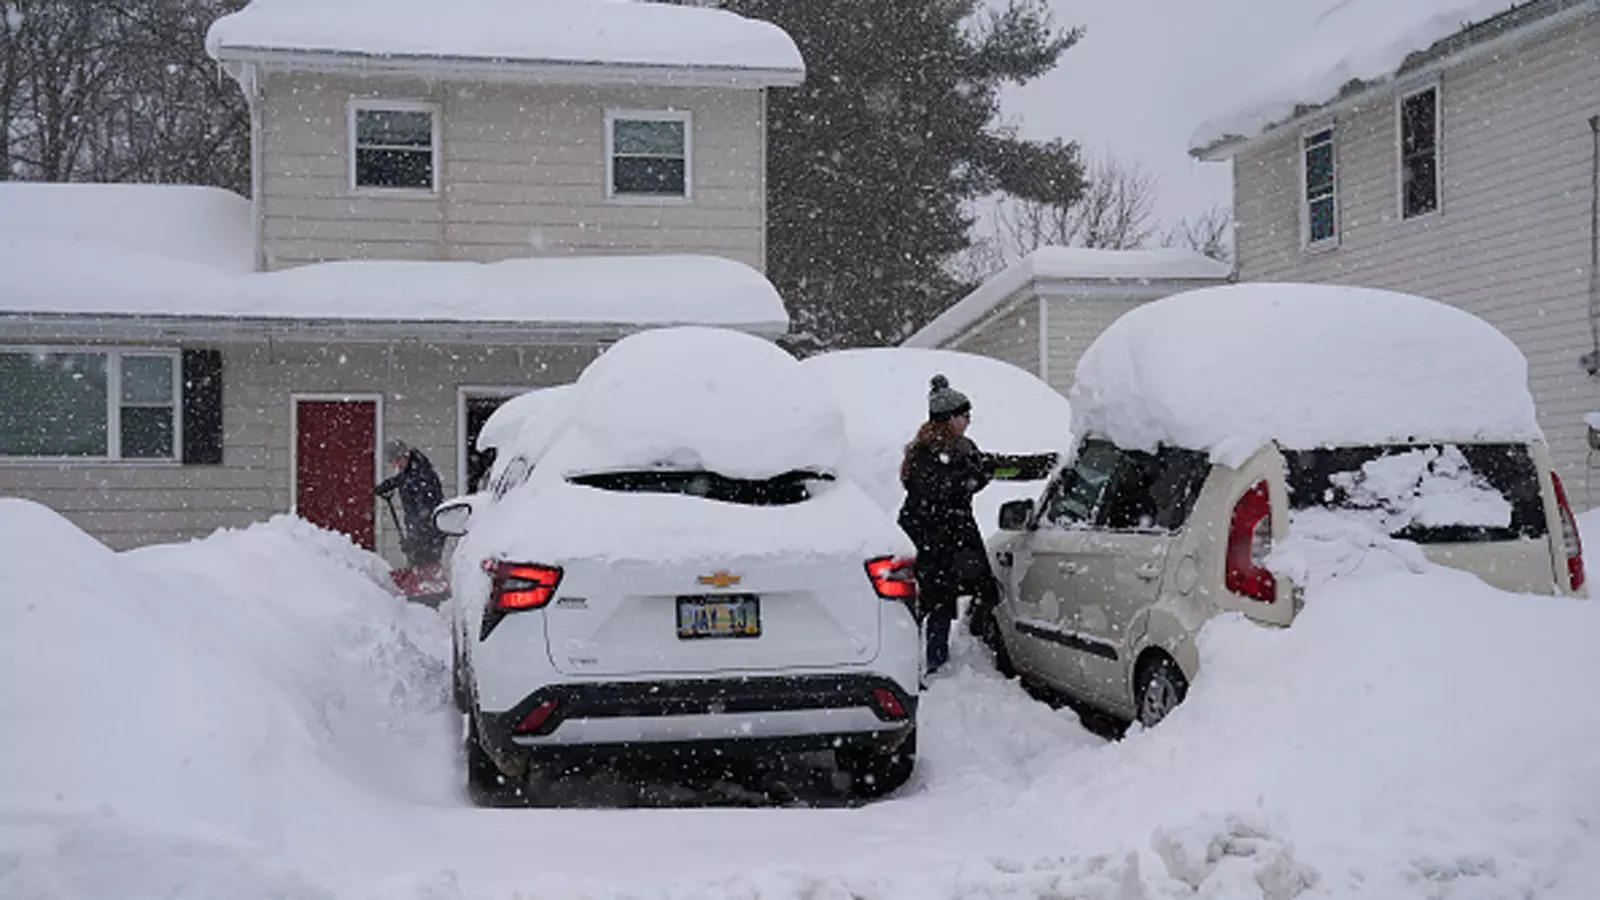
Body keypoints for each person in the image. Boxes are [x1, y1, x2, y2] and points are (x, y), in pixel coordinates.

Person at [897, 374, 997, 675]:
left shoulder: (960, 447)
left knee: (939, 601)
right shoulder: (927, 452)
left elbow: (970, 474)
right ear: (948, 418)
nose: (968, 421)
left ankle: (935, 662)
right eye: (964, 415)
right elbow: (940, 488)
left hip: (944, 536)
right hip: (929, 536)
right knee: (926, 603)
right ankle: (918, 664)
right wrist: (975, 479)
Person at [376, 438, 446, 568]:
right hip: (420, 530)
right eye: (393, 463)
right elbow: (403, 479)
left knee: (426, 566)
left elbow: (425, 510)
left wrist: (415, 539)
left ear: (404, 455)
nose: (396, 466)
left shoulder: (422, 476)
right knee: (416, 564)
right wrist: (389, 484)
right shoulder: (412, 468)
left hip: (430, 533)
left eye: (397, 461)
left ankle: (432, 586)